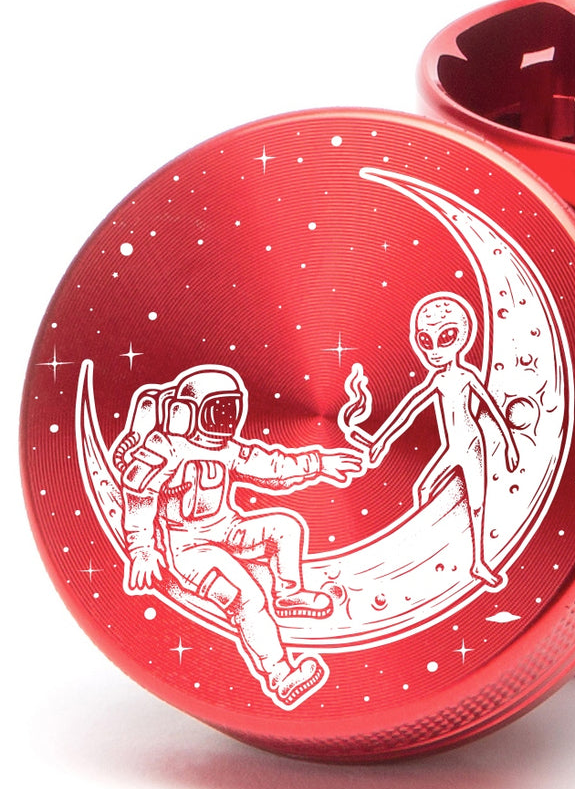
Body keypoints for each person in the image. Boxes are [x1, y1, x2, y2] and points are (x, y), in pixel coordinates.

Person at [115, 365, 363, 707]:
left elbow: (272, 466)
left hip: (226, 527)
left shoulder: (226, 450)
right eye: (216, 411)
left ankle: (289, 594)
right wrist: (141, 548)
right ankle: (280, 674)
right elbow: (139, 497)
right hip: (189, 548)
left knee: (285, 528)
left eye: (230, 410)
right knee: (247, 598)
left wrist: (318, 462)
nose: (224, 422)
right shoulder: (164, 451)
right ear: (186, 413)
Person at [357, 294, 518, 588]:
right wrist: (382, 439)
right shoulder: (437, 380)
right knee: (423, 488)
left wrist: (508, 443)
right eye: (425, 340)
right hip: (452, 448)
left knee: (477, 503)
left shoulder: (467, 376)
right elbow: (409, 409)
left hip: (472, 445)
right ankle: (427, 549)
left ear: (462, 338)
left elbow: (492, 410)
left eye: (445, 338)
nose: (433, 350)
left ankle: (479, 562)